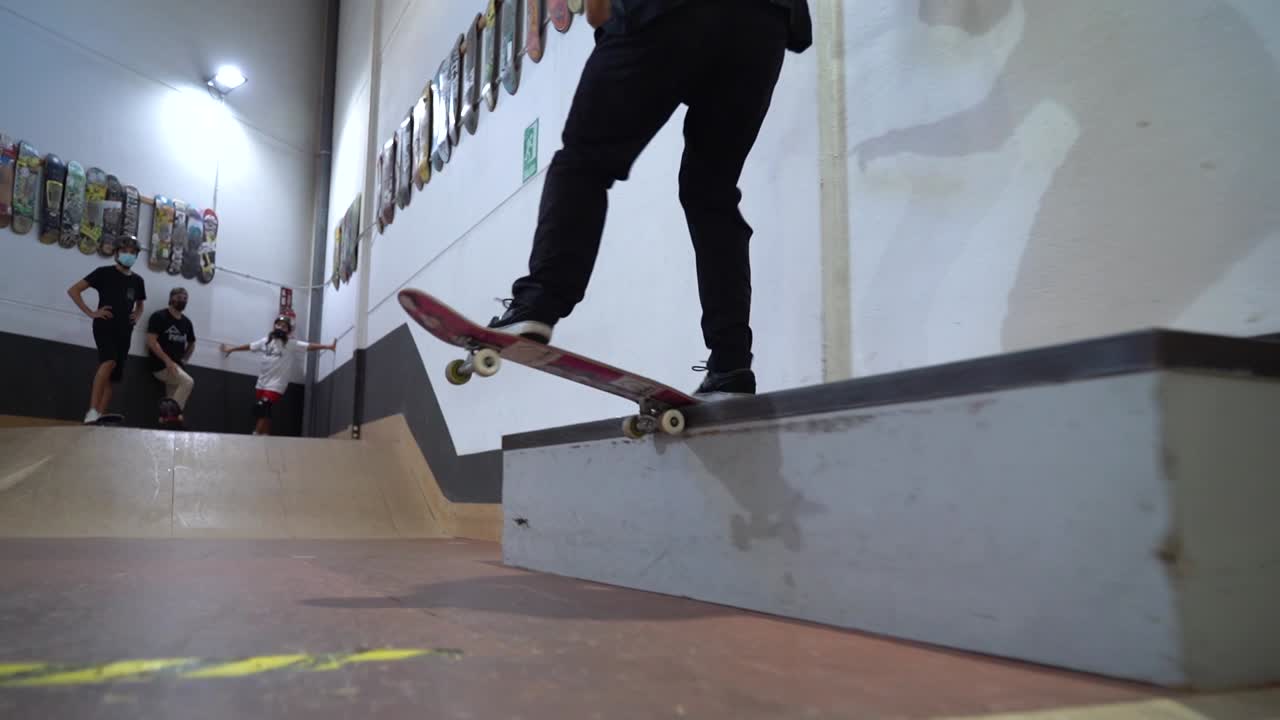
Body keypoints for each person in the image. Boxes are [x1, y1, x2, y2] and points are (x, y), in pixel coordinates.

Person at [487, 0, 812, 399]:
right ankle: (731, 364)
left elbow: (597, 12)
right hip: (765, 24)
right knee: (712, 194)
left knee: (584, 160)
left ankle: (538, 304)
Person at [67, 236, 147, 424]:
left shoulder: (138, 281)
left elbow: (140, 304)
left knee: (113, 376)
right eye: (125, 251)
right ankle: (92, 410)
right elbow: (74, 290)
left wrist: (137, 315)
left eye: (132, 252)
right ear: (117, 253)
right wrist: (91, 312)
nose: (128, 255)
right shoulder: (103, 273)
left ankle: (98, 418)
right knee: (108, 361)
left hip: (125, 330)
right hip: (105, 325)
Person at [220, 315, 335, 436]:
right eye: (278, 325)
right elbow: (249, 346)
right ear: (274, 326)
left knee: (263, 406)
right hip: (262, 382)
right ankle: (266, 434)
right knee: (266, 410)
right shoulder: (265, 341)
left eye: (284, 326)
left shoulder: (290, 343)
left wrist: (327, 346)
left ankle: (256, 433)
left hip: (277, 383)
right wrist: (231, 349)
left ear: (288, 330)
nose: (280, 327)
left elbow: (309, 346)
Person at [145, 287, 196, 424]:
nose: (183, 301)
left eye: (185, 299)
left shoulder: (186, 322)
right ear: (171, 298)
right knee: (188, 382)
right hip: (160, 365)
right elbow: (151, 341)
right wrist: (167, 361)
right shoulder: (159, 316)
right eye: (179, 297)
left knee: (173, 399)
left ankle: (167, 422)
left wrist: (184, 359)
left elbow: (192, 343)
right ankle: (169, 416)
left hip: (177, 367)